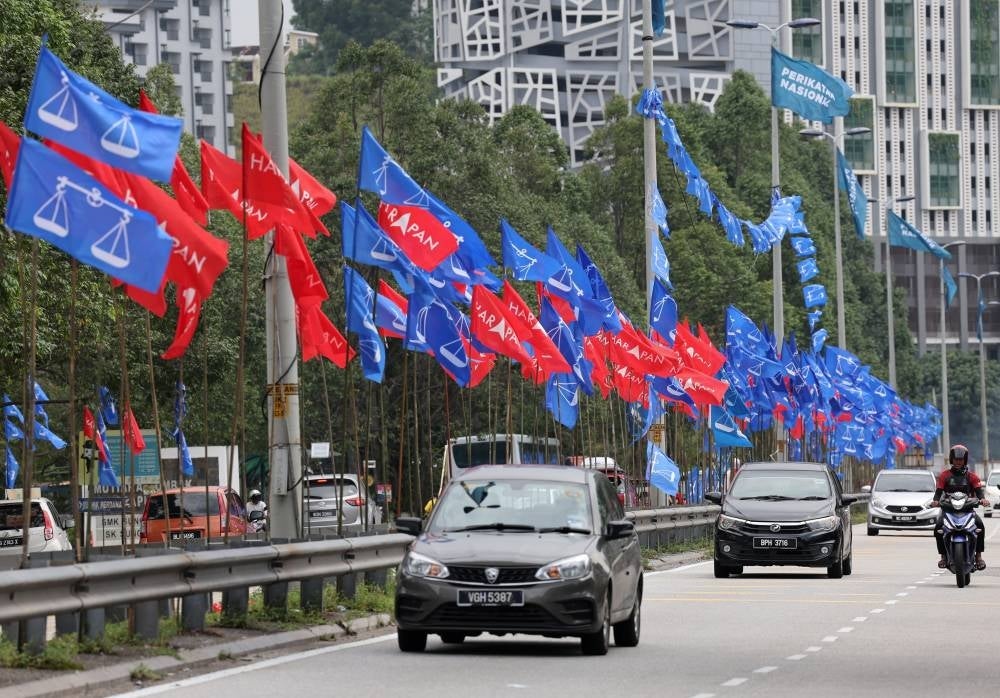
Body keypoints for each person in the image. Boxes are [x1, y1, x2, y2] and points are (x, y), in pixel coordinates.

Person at [931, 444, 989, 570]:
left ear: (965, 460)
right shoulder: (944, 475)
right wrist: (935, 501)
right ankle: (943, 557)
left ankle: (978, 556)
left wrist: (983, 499)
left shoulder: (972, 476)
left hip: (968, 510)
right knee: (937, 528)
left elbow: (979, 492)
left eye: (960, 459)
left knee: (980, 526)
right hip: (948, 510)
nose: (958, 462)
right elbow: (938, 493)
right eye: (956, 459)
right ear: (952, 459)